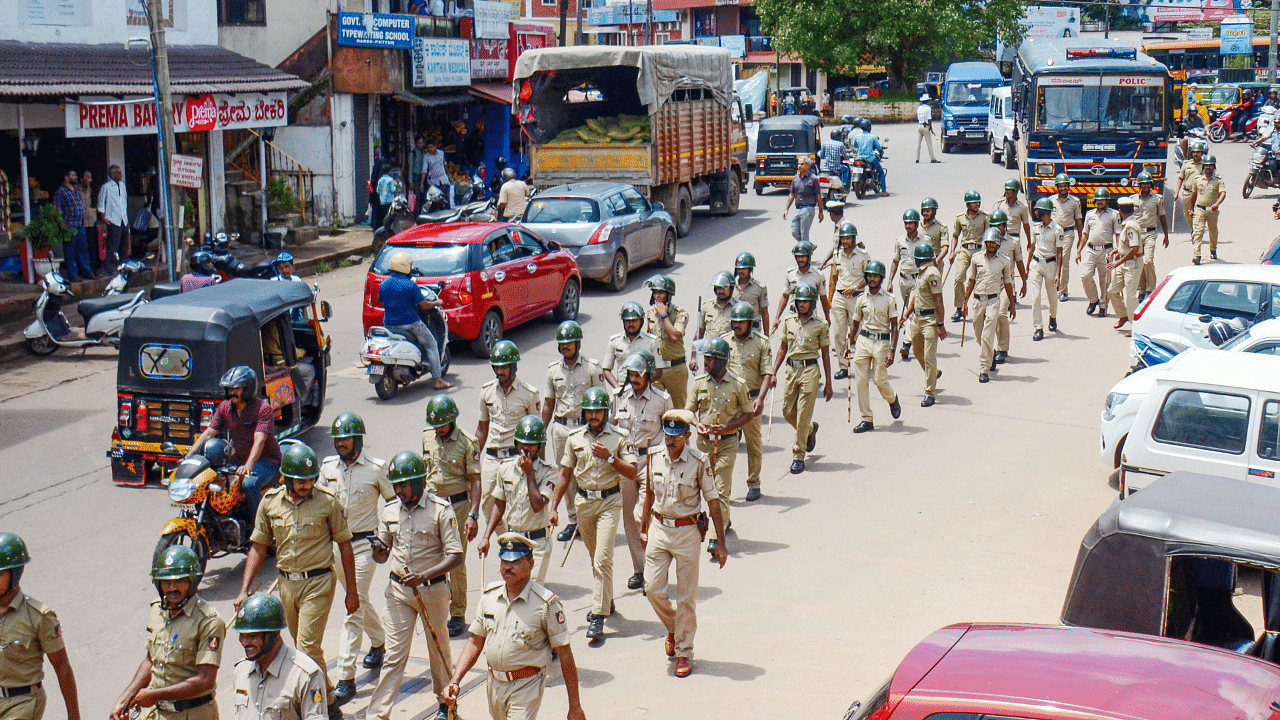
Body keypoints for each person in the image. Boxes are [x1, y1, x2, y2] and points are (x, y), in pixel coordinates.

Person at [235, 443, 359, 720]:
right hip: (286, 585)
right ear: (287, 479)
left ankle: (322, 709)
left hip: (318, 581)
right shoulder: (270, 503)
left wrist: (352, 591)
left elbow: (345, 545)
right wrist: (243, 590)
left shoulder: (327, 501)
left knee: (306, 647)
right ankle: (328, 696)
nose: (307, 485)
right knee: (302, 649)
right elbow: (257, 546)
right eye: (301, 480)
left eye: (311, 479)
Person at [443, 533, 585, 720]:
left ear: (531, 564)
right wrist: (455, 680)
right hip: (494, 685)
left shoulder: (545, 604)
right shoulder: (490, 597)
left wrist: (574, 706)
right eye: (504, 561)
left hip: (526, 686)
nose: (508, 567)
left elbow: (565, 655)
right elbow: (474, 643)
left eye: (516, 562)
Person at [367, 452, 463, 720]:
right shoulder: (390, 511)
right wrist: (378, 549)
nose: (399, 491)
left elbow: (456, 556)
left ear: (420, 482)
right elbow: (382, 554)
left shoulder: (441, 510)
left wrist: (423, 576)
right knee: (394, 656)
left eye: (404, 485)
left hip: (432, 591)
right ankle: (377, 714)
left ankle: (446, 705)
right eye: (396, 485)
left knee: (438, 648)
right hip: (398, 592)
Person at [639, 409, 728, 678]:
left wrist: (720, 543)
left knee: (686, 598)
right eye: (667, 435)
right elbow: (649, 494)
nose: (670, 441)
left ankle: (684, 652)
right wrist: (643, 528)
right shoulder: (654, 456)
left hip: (687, 531)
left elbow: (713, 501)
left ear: (687, 436)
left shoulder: (700, 462)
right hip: (659, 527)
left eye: (676, 437)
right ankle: (674, 627)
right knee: (652, 588)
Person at [550, 387, 637, 641]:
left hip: (610, 502)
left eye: (599, 411)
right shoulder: (575, 438)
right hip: (584, 504)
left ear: (606, 413)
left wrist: (610, 458)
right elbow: (565, 475)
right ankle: (607, 601)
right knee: (594, 556)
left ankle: (598, 616)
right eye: (590, 411)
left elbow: (632, 472)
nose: (595, 416)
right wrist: (554, 507)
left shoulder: (620, 436)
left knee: (602, 558)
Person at [319, 413, 394, 704]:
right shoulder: (327, 468)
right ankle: (379, 641)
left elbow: (393, 504)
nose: (341, 444)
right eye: (337, 439)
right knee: (358, 600)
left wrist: (386, 540)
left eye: (346, 439)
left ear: (358, 439)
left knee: (352, 609)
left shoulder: (376, 469)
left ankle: (346, 677)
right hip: (337, 547)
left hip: (363, 546)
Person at [112, 546, 222, 720]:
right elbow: (151, 659)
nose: (172, 588)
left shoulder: (208, 620)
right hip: (157, 713)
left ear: (192, 581)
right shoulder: (156, 609)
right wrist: (126, 697)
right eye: (165, 582)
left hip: (192, 714)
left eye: (179, 581)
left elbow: (205, 680)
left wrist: (154, 695)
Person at [420, 397, 482, 641]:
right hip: (432, 506)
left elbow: (475, 481)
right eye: (436, 425)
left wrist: (474, 515)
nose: (439, 429)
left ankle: (458, 613)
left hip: (457, 507)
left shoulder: (468, 443)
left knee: (455, 559)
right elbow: (425, 475)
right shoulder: (427, 438)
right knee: (432, 557)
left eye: (443, 425)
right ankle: (438, 606)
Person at [0, 533, 79, 720]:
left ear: (15, 574)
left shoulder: (38, 617)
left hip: (23, 703)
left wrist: (74, 716)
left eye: (0, 573)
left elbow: (62, 666)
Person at [187, 366, 282, 518]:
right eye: (229, 388)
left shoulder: (263, 409)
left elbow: (260, 440)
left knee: (249, 484)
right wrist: (189, 457)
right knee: (210, 479)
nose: (231, 392)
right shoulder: (225, 407)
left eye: (236, 388)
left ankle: (258, 529)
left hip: (266, 461)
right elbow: (209, 433)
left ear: (248, 388)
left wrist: (248, 466)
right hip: (238, 460)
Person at [686, 336, 753, 553]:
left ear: (722, 361)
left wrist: (728, 428)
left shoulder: (738, 385)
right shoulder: (698, 384)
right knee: (703, 487)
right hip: (704, 445)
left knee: (721, 490)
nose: (707, 363)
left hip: (726, 444)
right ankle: (723, 519)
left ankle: (716, 537)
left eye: (712, 360)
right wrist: (697, 425)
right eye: (706, 359)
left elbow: (748, 414)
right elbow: (689, 412)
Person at [613, 351, 672, 587]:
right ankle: (641, 570)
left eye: (638, 374)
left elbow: (672, 431)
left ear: (648, 375)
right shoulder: (619, 397)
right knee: (629, 518)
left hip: (651, 462)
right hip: (626, 462)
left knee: (643, 516)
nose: (634, 378)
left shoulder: (662, 398)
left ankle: (655, 568)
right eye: (630, 374)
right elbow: (611, 429)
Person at [542, 321, 603, 544]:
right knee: (564, 474)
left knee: (586, 472)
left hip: (585, 427)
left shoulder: (592, 368)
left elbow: (603, 402)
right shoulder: (553, 371)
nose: (565, 346)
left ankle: (590, 517)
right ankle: (573, 519)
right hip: (561, 428)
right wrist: (542, 431)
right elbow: (548, 404)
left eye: (569, 343)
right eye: (562, 343)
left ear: (577, 343)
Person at [479, 416, 557, 583]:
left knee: (531, 594)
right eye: (522, 443)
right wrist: (486, 536)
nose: (526, 448)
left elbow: (537, 505)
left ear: (539, 446)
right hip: (513, 542)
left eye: (532, 444)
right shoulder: (505, 468)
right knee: (513, 591)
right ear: (516, 443)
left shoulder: (549, 472)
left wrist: (529, 472)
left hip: (537, 544)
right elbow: (499, 505)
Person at [477, 340, 542, 533]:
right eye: (496, 367)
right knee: (488, 504)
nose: (499, 372)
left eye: (504, 367)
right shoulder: (486, 391)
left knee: (518, 503)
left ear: (514, 366)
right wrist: (473, 456)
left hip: (517, 457)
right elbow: (482, 429)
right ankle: (506, 540)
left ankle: (518, 540)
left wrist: (539, 465)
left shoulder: (529, 394)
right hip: (492, 458)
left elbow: (537, 432)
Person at [230, 593, 326, 720]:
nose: (244, 643)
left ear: (273, 635)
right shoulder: (241, 671)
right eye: (242, 635)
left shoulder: (305, 675)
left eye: (252, 636)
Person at [770, 282, 832, 473]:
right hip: (791, 370)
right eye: (799, 301)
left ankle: (798, 455)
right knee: (788, 411)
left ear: (812, 304)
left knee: (804, 412)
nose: (802, 305)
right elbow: (782, 348)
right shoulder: (789, 322)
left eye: (806, 302)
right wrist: (773, 372)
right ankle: (810, 430)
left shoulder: (820, 325)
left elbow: (826, 354)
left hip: (810, 370)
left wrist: (829, 382)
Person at [721, 303, 773, 501]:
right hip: (729, 399)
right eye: (734, 322)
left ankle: (754, 483)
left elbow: (767, 373)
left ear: (750, 323)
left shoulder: (761, 342)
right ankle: (725, 486)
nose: (737, 325)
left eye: (741, 322)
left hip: (751, 399)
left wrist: (760, 398)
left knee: (753, 443)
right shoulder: (724, 342)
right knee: (727, 443)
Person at [379, 251, 450, 390]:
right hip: (410, 324)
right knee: (431, 344)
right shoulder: (410, 285)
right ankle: (438, 380)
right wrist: (436, 303)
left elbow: (383, 302)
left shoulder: (384, 284)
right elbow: (423, 305)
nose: (411, 269)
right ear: (404, 267)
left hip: (389, 325)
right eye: (410, 266)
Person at [848, 261, 901, 432]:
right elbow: (855, 322)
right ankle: (867, 418)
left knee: (879, 380)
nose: (872, 279)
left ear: (881, 278)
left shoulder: (889, 299)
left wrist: (892, 350)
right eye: (869, 276)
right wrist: (849, 342)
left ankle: (892, 399)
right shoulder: (861, 299)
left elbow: (894, 326)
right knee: (861, 381)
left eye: (875, 276)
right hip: (864, 340)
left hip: (882, 342)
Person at [964, 229, 1016, 384]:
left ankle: (983, 369)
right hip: (978, 301)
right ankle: (990, 355)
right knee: (978, 333)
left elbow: (1008, 284)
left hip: (993, 301)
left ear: (998, 243)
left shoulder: (1004, 261)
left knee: (988, 335)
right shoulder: (976, 259)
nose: (991, 245)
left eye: (994, 242)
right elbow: (971, 281)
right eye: (989, 242)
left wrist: (1012, 306)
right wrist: (964, 302)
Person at [900, 242, 946, 407]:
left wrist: (940, 324)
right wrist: (907, 314)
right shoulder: (922, 273)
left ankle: (929, 392)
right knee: (917, 350)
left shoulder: (932, 273)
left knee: (929, 355)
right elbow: (917, 296)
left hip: (929, 320)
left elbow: (938, 299)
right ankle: (934, 373)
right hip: (917, 318)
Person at [823, 223, 867, 382]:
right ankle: (843, 366)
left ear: (854, 239)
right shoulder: (837, 255)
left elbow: (869, 278)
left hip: (856, 297)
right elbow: (833, 279)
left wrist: (856, 288)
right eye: (843, 238)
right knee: (838, 334)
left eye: (849, 238)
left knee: (860, 333)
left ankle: (863, 366)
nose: (846, 241)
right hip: (840, 298)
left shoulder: (863, 255)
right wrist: (830, 299)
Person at [644, 275, 690, 410]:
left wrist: (664, 315)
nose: (657, 296)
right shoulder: (650, 313)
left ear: (669, 295)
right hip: (657, 369)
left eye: (661, 293)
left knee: (678, 410)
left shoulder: (680, 313)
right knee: (655, 407)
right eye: (655, 292)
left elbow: (675, 336)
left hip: (675, 369)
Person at [987, 209, 1028, 365]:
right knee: (988, 318)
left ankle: (1003, 348)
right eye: (994, 225)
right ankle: (989, 349)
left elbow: (1019, 262)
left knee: (1001, 314)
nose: (997, 229)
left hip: (1006, 285)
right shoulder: (988, 241)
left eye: (1000, 226)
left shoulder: (1013, 242)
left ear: (1005, 226)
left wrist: (1024, 282)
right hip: (990, 285)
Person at [1025, 198, 1065, 341]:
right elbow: (1032, 248)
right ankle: (1038, 327)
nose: (1035, 212)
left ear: (1045, 212)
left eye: (1038, 210)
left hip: (1050, 264)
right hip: (1036, 263)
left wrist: (1058, 273)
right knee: (1035, 297)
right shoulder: (1036, 228)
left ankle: (1052, 317)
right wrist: (1027, 266)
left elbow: (1060, 252)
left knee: (1052, 297)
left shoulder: (1057, 230)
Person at [1077, 188, 1121, 318]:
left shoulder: (1114, 215)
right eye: (1098, 199)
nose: (1100, 202)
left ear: (1107, 200)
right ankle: (1093, 299)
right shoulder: (1090, 214)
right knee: (1085, 276)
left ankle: (1103, 306)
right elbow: (1085, 234)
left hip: (1106, 251)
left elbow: (1118, 234)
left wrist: (1118, 251)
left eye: (1102, 199)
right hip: (1091, 250)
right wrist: (1079, 251)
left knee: (1105, 280)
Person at [948, 190, 989, 321]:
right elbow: (955, 236)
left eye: (978, 202)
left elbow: (988, 235)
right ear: (968, 204)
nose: (977, 204)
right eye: (974, 202)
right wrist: (952, 251)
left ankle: (982, 309)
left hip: (979, 250)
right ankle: (959, 308)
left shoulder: (985, 217)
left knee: (980, 280)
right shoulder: (960, 218)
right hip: (964, 250)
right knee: (959, 278)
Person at [888, 211, 923, 361]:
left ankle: (907, 344)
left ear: (916, 223)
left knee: (911, 310)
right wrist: (890, 281)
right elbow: (895, 261)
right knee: (909, 308)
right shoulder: (899, 241)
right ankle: (914, 332)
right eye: (906, 223)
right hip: (903, 280)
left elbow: (929, 261)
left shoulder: (924, 241)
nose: (908, 226)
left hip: (917, 280)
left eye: (911, 223)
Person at [772, 241, 831, 331]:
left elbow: (823, 298)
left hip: (810, 316)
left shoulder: (818, 275)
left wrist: (827, 317)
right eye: (798, 257)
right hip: (793, 314)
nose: (800, 259)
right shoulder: (790, 274)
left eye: (803, 256)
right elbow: (785, 296)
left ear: (809, 257)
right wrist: (777, 317)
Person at [601, 302, 660, 389]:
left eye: (634, 321)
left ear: (641, 322)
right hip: (622, 389)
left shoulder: (652, 341)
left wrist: (642, 385)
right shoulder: (615, 341)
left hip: (645, 390)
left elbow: (659, 371)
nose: (631, 324)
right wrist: (618, 388)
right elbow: (606, 369)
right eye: (627, 321)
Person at [1107, 196, 1144, 334]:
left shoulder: (1131, 226)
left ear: (1120, 212)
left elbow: (1134, 248)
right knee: (1112, 290)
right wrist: (1114, 252)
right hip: (1124, 262)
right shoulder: (1127, 224)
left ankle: (1136, 327)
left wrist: (1118, 262)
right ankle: (1123, 315)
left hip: (1132, 264)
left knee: (1130, 296)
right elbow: (1126, 244)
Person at [1132, 172, 1170, 299]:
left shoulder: (1157, 199)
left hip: (1150, 233)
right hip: (1137, 234)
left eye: (1148, 183)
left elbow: (1163, 217)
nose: (1146, 186)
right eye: (1143, 184)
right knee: (1139, 262)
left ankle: (1150, 289)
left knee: (1148, 260)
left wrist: (1166, 235)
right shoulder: (1132, 200)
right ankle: (1141, 289)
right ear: (1139, 185)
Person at [52, 169, 90, 281]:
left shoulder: (76, 190)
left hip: (79, 224)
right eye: (73, 175)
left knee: (83, 249)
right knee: (70, 251)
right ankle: (73, 275)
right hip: (69, 224)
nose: (76, 177)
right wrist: (62, 225)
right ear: (66, 177)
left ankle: (87, 271)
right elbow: (57, 209)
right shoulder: (61, 191)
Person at [1049, 174, 1083, 301]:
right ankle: (1054, 286)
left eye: (1065, 186)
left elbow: (1079, 220)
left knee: (1064, 261)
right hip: (1054, 233)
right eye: (1061, 186)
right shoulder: (1051, 201)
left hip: (1068, 233)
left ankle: (1063, 290)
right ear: (1057, 187)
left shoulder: (1075, 202)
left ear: (1068, 187)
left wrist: (1080, 238)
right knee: (1052, 261)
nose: (1063, 188)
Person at [1190, 154, 1226, 264]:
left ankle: (1213, 249)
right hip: (1200, 209)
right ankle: (1197, 255)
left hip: (1212, 210)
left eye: (1211, 165)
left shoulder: (1218, 180)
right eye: (1207, 165)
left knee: (1213, 232)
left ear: (1214, 167)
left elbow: (1223, 193)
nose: (1209, 167)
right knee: (1198, 231)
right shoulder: (1198, 180)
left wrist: (1217, 203)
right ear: (1203, 167)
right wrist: (1191, 209)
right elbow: (1193, 195)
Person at [696, 272, 736, 364]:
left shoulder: (737, 309)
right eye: (718, 288)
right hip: (710, 357)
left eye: (724, 288)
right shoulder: (707, 306)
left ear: (731, 289)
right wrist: (694, 358)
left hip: (729, 358)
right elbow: (699, 333)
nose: (721, 291)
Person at [781, 157, 823, 242]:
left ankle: (806, 252)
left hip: (808, 208)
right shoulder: (796, 178)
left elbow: (818, 196)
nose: (799, 166)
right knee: (795, 232)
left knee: (804, 233)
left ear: (808, 166)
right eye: (799, 164)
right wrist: (786, 209)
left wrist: (820, 212)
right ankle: (808, 246)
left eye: (802, 164)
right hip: (798, 208)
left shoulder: (813, 179)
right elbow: (792, 194)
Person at [98, 164, 129, 272]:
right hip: (113, 220)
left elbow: (124, 201)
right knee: (113, 246)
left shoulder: (122, 185)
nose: (121, 175)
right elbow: (101, 204)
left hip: (123, 220)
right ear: (112, 174)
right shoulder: (106, 187)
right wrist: (104, 219)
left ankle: (123, 265)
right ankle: (111, 267)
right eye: (119, 173)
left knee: (124, 245)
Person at [730, 252, 769, 334]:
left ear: (750, 269)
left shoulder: (759, 288)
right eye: (739, 268)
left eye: (744, 269)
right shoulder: (731, 288)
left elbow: (764, 313)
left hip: (753, 330)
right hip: (735, 330)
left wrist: (766, 336)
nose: (741, 271)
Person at [852, 119, 888, 196]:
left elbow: (855, 145)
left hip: (860, 157)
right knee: (881, 172)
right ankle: (884, 191)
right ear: (869, 127)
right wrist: (882, 147)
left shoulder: (857, 136)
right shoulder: (873, 136)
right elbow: (878, 147)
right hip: (870, 158)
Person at [77, 170, 100, 277]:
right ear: (81, 179)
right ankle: (84, 272)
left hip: (91, 222)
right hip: (81, 223)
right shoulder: (76, 190)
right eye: (87, 177)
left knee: (93, 247)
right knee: (83, 248)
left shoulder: (90, 190)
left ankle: (93, 271)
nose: (90, 180)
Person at [423, 141, 450, 207]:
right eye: (428, 147)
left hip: (443, 179)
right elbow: (424, 170)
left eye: (431, 147)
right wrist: (421, 183)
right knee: (436, 200)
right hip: (433, 181)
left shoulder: (441, 153)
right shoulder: (426, 156)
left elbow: (444, 164)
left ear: (435, 147)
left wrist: (448, 175)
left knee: (446, 198)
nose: (430, 149)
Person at [916, 95, 939, 163]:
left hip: (919, 126)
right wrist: (931, 129)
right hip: (925, 127)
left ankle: (917, 158)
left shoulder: (919, 108)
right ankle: (933, 158)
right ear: (927, 101)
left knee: (918, 144)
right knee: (929, 143)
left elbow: (918, 117)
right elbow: (929, 119)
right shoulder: (928, 108)